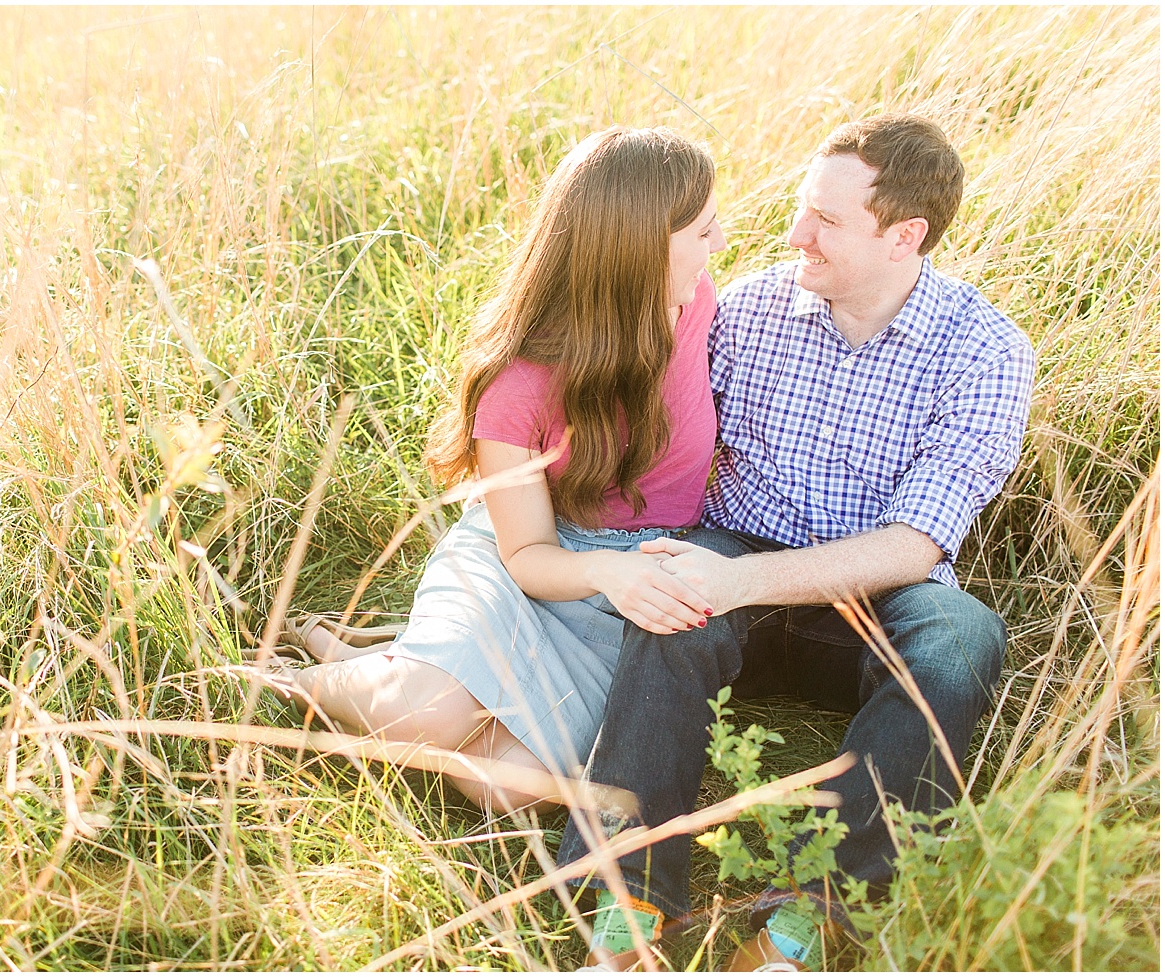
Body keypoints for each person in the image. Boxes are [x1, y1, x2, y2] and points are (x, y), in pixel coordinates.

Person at [558, 114, 1035, 971]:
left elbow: (916, 544)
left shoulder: (986, 349)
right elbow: (644, 436)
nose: (794, 233)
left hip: (878, 593)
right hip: (737, 552)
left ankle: (804, 920)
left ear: (905, 235)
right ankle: (628, 901)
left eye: (827, 220)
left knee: (964, 637)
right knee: (670, 594)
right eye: (800, 207)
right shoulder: (747, 311)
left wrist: (739, 585)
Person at [268, 126, 728, 814]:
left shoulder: (693, 305)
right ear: (635, 251)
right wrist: (607, 568)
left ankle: (378, 654)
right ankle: (296, 682)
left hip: (627, 595)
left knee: (503, 786)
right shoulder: (517, 386)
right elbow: (528, 553)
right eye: (703, 230)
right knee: (427, 712)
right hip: (529, 564)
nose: (718, 244)